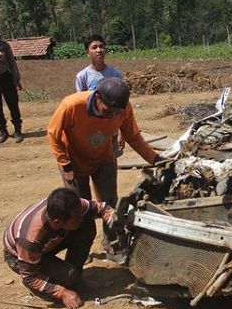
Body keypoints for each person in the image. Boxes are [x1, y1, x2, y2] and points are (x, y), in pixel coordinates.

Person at [47, 77, 160, 257]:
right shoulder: (72, 106)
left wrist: (154, 158)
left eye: (116, 113)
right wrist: (65, 163)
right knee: (79, 210)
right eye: (108, 111)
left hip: (103, 159)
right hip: (74, 164)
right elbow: (53, 134)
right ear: (97, 97)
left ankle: (111, 243)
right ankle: (80, 252)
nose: (112, 116)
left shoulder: (123, 109)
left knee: (110, 203)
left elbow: (133, 137)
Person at [3, 187, 115, 309]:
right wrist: (61, 293)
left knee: (87, 226)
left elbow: (102, 208)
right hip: (20, 257)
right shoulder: (30, 239)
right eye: (76, 218)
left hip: (48, 242)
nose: (80, 218)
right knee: (66, 276)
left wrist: (112, 218)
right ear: (57, 222)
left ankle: (75, 278)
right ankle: (51, 286)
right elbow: (29, 276)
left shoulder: (73, 206)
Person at [75, 34, 125, 157]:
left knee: (110, 164)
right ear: (88, 52)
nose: (98, 50)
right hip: (91, 131)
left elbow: (122, 108)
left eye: (101, 46)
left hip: (111, 129)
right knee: (91, 162)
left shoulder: (116, 75)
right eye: (94, 47)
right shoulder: (82, 77)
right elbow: (80, 107)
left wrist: (121, 132)